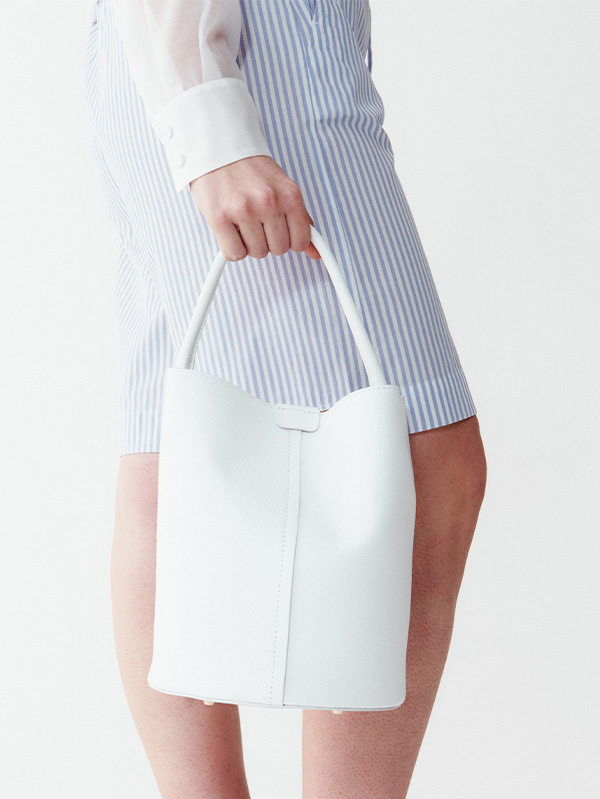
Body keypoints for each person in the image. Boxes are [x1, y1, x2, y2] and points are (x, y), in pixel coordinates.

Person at [82, 0, 487, 796]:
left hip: (174, 44)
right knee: (416, 454)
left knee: (174, 449)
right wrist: (209, 122)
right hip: (249, 51)